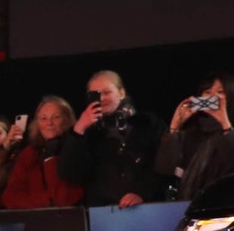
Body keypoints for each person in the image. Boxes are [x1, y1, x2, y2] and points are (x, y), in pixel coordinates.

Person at [59, 70, 164, 207]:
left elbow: (164, 166)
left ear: (121, 93)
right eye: (95, 95)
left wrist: (142, 193)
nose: (101, 98)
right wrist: (79, 129)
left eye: (107, 92)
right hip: (103, 213)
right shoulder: (86, 132)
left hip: (148, 208)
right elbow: (69, 174)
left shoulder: (148, 123)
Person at [155, 72, 234, 201]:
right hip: (187, 204)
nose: (213, 97)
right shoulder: (190, 132)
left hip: (227, 201)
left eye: (220, 92)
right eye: (207, 92)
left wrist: (224, 123)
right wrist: (175, 125)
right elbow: (164, 168)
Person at [0, 95, 85, 209]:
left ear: (66, 119)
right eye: (43, 118)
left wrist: (51, 158)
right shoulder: (29, 152)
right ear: (37, 123)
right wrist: (45, 202)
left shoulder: (76, 148)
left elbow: (64, 198)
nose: (49, 123)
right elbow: (9, 197)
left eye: (56, 117)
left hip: (69, 219)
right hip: (35, 219)